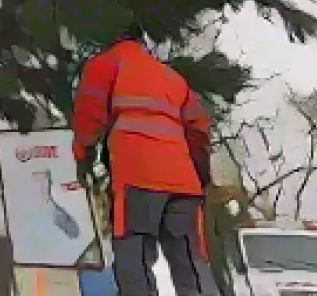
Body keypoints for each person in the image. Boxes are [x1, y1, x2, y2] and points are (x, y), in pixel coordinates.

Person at [71, 22, 220, 296]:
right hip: (183, 186)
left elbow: (88, 118)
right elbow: (199, 130)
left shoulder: (105, 64)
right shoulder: (172, 78)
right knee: (190, 265)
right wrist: (202, 178)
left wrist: (83, 158)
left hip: (137, 179)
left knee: (135, 262)